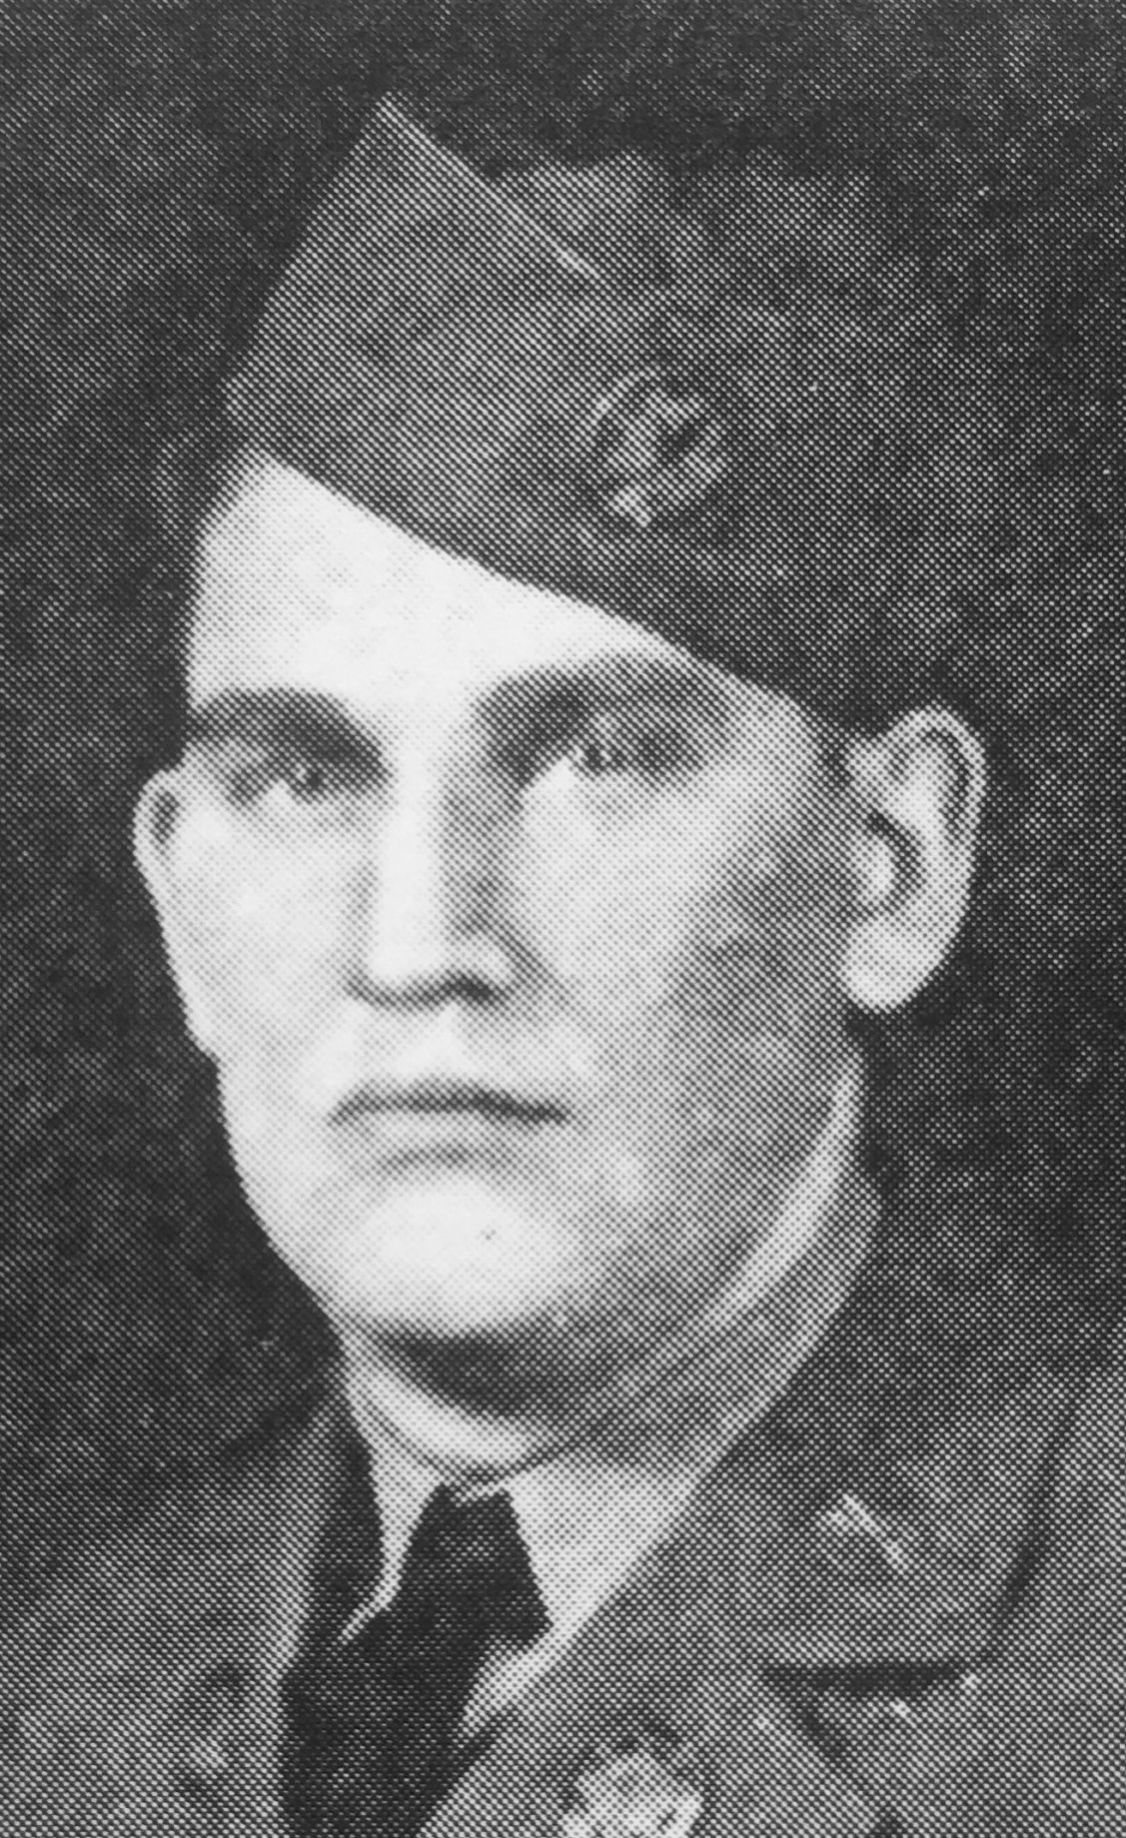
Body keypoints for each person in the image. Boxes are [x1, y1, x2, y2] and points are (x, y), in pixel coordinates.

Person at [0, 90, 1116, 1838]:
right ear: (177, 898)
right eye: (306, 776)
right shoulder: (67, 1694)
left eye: (594, 757)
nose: (418, 945)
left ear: (890, 864)